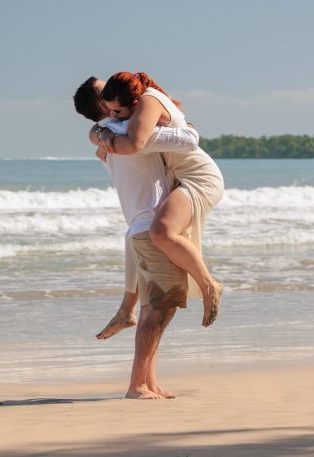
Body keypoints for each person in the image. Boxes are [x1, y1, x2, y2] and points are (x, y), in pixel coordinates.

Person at [74, 76, 198, 399]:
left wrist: (98, 133)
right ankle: (137, 385)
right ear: (106, 105)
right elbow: (189, 140)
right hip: (149, 226)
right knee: (161, 309)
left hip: (138, 227)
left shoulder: (108, 138)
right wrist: (184, 125)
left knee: (152, 309)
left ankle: (148, 381)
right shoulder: (127, 134)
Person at [98, 71, 225, 327]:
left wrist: (103, 137)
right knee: (139, 234)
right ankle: (127, 310)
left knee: (161, 232)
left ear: (135, 104)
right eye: (109, 111)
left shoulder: (147, 104)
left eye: (118, 111)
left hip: (199, 177)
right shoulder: (136, 116)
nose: (114, 116)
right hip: (182, 178)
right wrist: (101, 134)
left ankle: (210, 286)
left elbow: (134, 143)